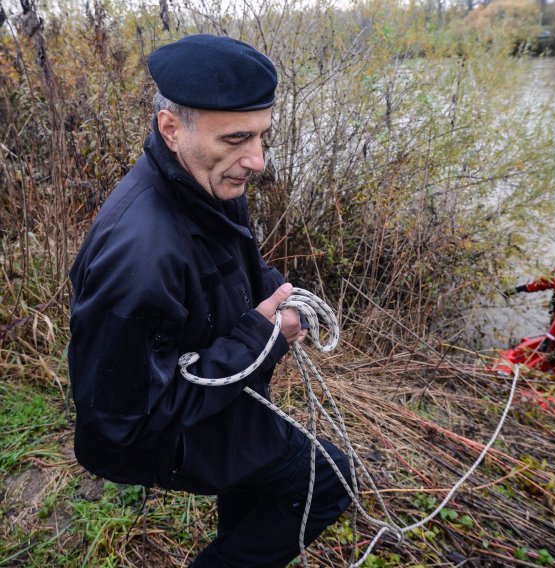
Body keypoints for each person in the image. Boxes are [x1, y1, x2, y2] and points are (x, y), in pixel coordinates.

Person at [68, 35, 351, 567]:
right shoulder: (140, 256)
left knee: (255, 481)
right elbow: (121, 423)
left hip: (222, 398)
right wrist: (265, 337)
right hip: (157, 440)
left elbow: (236, 271)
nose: (257, 160)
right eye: (237, 139)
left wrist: (278, 294)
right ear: (171, 129)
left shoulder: (209, 184)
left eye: (263, 136)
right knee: (328, 481)